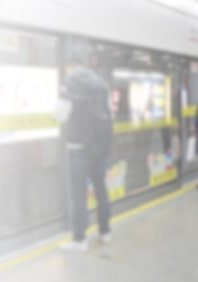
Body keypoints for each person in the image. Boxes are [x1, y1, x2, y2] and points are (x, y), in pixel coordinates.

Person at [58, 56, 114, 252]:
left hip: (77, 147)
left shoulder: (70, 83)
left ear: (71, 67)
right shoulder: (101, 84)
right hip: (98, 147)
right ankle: (105, 232)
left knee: (79, 194)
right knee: (101, 190)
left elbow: (60, 114)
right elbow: (109, 114)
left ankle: (80, 239)